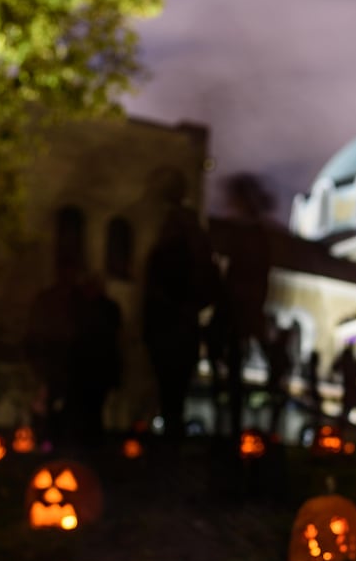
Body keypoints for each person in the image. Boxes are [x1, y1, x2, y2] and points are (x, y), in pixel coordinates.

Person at [141, 169, 219, 444]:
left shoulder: (181, 230)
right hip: (173, 320)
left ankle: (169, 443)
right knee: (169, 387)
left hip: (175, 320)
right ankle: (166, 440)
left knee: (172, 386)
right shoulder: (183, 228)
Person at [208, 173, 276, 436]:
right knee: (230, 374)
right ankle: (230, 431)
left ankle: (233, 433)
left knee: (233, 376)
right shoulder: (250, 235)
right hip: (239, 314)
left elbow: (247, 280)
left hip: (238, 314)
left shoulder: (250, 237)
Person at [62, 273, 123, 449]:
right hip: (81, 370)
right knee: (79, 410)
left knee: (94, 412)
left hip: (98, 370)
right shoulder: (78, 309)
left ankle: (94, 449)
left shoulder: (107, 310)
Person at [24, 269, 78, 448]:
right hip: (49, 366)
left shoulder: (77, 304)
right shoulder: (46, 305)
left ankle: (61, 444)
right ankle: (44, 443)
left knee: (63, 408)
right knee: (45, 405)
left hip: (68, 368)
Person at [332, 340, 356, 428]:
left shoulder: (349, 360)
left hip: (351, 389)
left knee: (348, 410)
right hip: (351, 389)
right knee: (348, 410)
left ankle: (346, 427)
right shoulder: (352, 361)